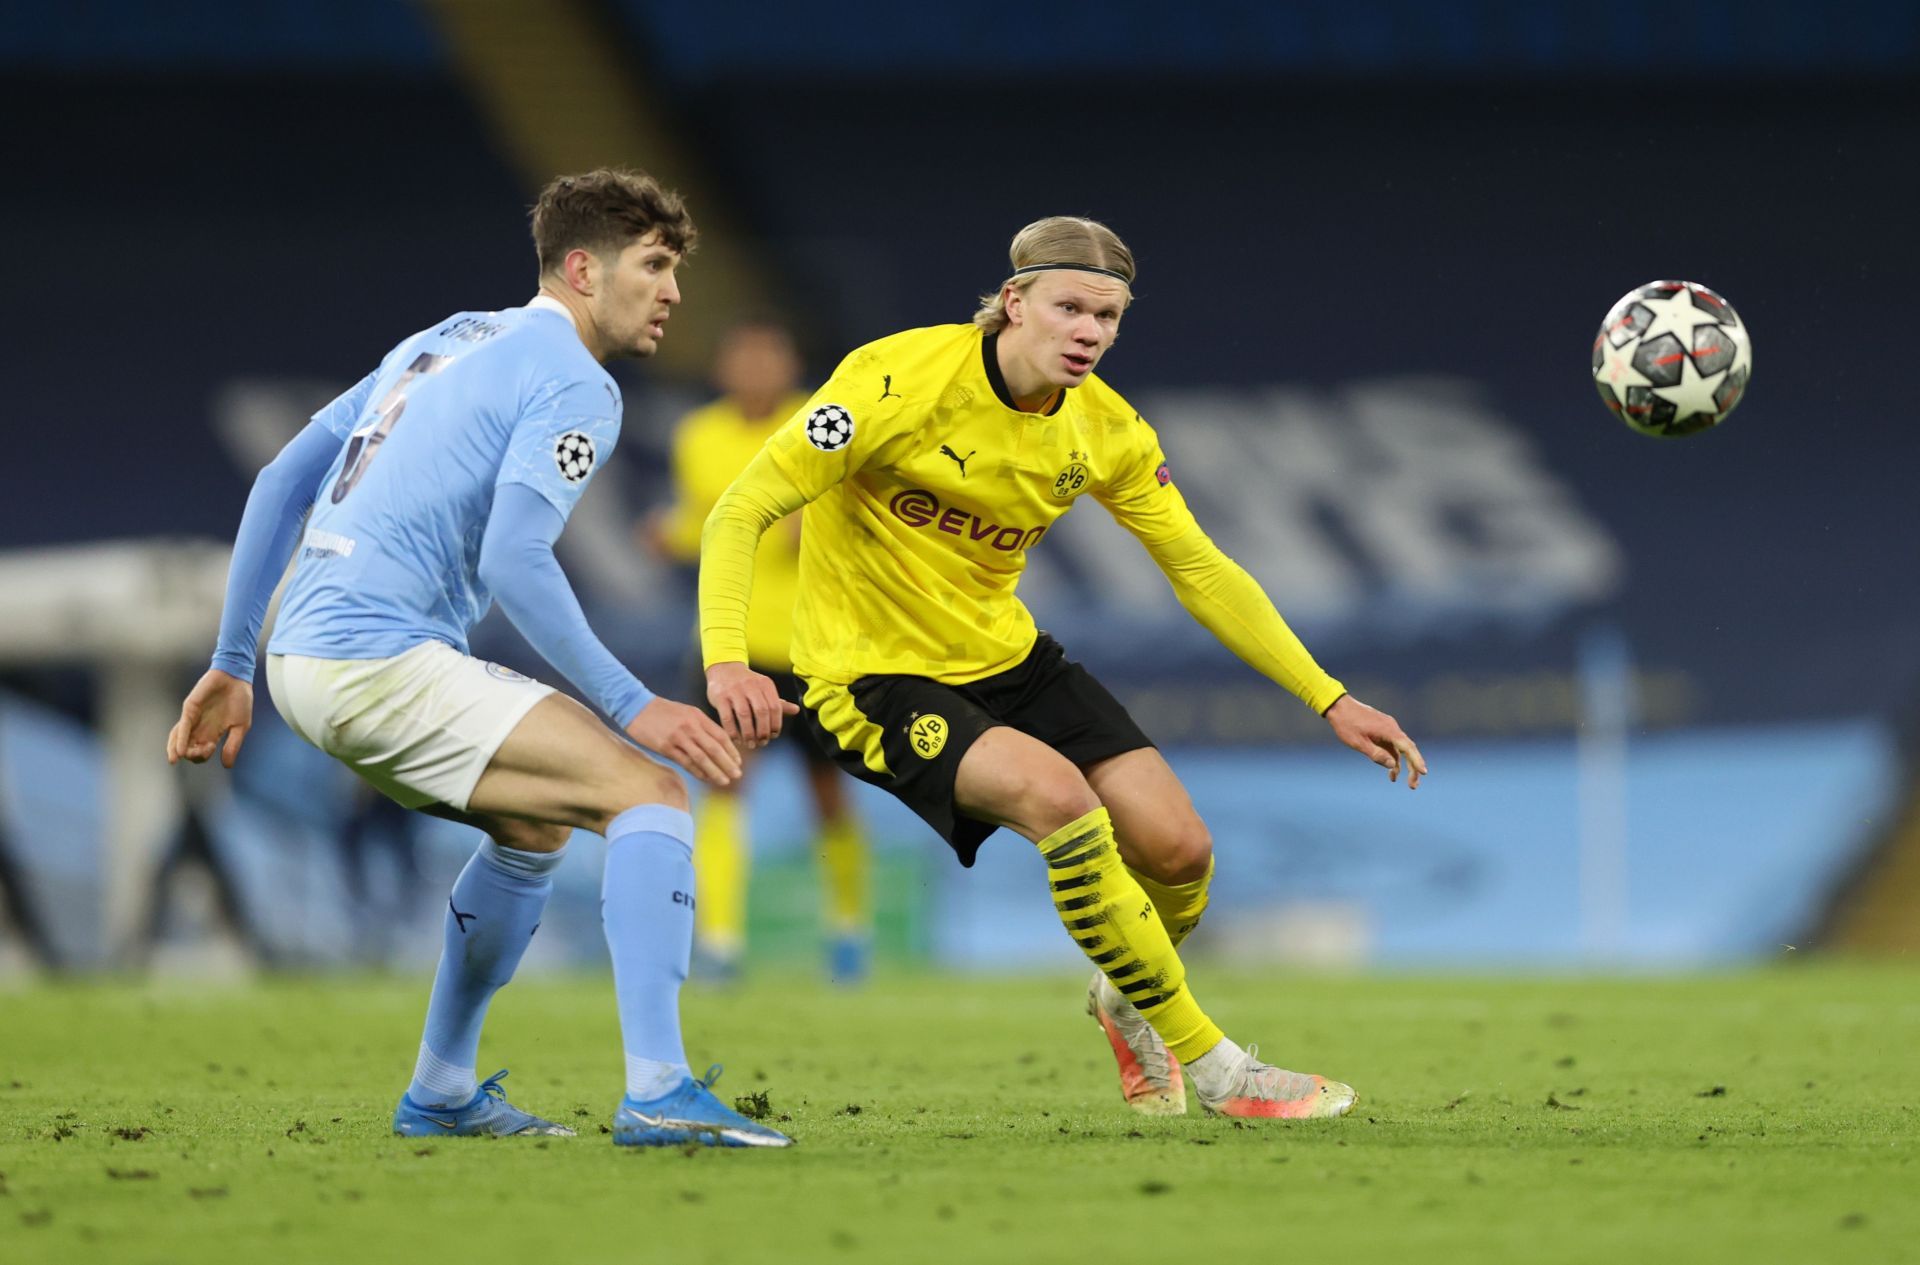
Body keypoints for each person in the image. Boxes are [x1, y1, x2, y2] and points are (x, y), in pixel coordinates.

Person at [698, 217, 1426, 1120]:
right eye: (1069, 307)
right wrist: (727, 660)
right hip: (872, 676)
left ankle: (1125, 997)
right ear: (1013, 303)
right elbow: (741, 510)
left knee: (1179, 848)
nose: (1088, 331)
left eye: (1109, 316)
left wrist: (1330, 697)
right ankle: (1222, 1069)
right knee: (1060, 801)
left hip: (1009, 659)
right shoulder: (895, 379)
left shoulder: (1107, 430)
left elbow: (1201, 569)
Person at [166, 168, 791, 1148]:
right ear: (585, 269)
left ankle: (443, 1089)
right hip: (379, 654)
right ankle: (660, 1087)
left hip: (303, 655)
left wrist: (234, 657)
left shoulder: (445, 336)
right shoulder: (580, 382)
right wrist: (634, 703)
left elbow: (284, 473)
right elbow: (514, 555)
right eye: (656, 265)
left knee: (533, 830)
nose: (673, 291)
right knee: (649, 793)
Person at [647, 318, 871, 983]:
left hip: (816, 645)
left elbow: (822, 521)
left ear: (791, 364)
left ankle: (849, 931)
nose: (755, 371)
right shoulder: (700, 435)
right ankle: (720, 940)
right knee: (725, 782)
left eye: (768, 358)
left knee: (829, 789)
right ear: (723, 370)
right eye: (743, 359)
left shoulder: (824, 421)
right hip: (732, 645)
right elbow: (715, 522)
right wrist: (673, 532)